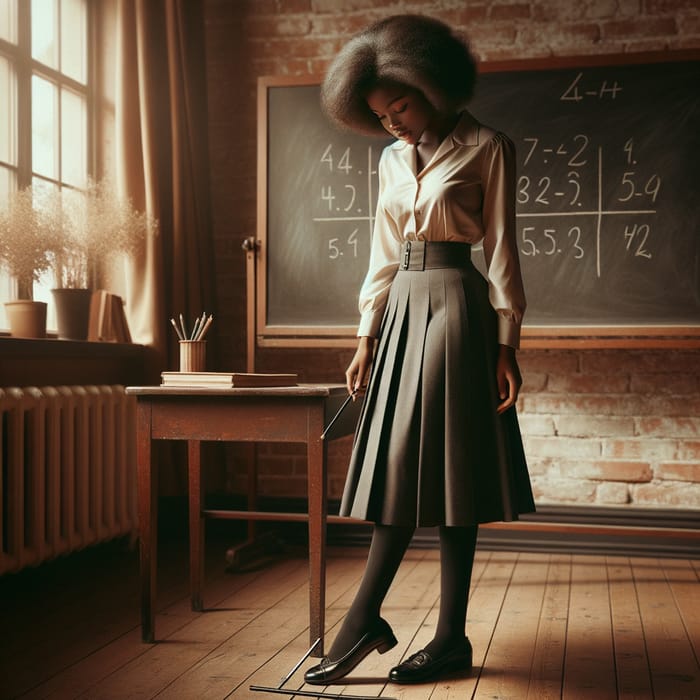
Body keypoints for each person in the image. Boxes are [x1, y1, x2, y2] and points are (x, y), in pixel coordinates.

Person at [305, 14, 535, 685]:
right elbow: (380, 256)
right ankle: (419, 633)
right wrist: (364, 335)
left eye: (399, 104)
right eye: (379, 115)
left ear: (430, 84)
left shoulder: (487, 146)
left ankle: (393, 627)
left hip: (457, 308)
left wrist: (507, 345)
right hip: (402, 307)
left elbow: (501, 253)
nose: (394, 122)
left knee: (441, 469)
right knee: (412, 466)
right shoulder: (387, 161)